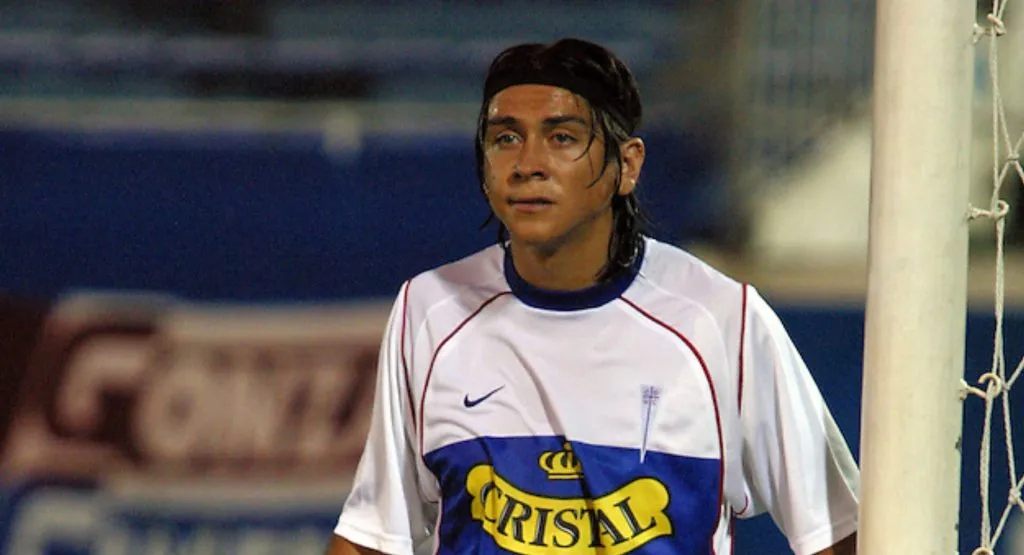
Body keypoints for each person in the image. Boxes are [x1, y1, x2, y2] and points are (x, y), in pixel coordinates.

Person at [325, 38, 859, 555]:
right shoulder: (430, 312)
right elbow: (374, 537)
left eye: (561, 138)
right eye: (505, 137)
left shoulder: (722, 320)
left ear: (627, 165)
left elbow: (838, 534)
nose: (527, 162)